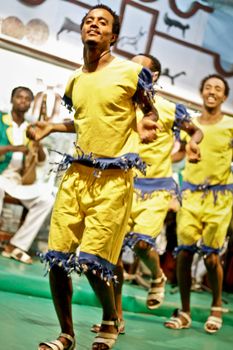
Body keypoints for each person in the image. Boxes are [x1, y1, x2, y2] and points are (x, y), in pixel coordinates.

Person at [26, 5, 159, 350]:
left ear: (113, 36)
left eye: (103, 22)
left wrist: (146, 121)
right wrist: (52, 125)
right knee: (56, 258)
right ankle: (66, 334)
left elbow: (149, 109)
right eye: (89, 20)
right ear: (82, 30)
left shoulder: (131, 72)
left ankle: (111, 318)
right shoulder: (75, 78)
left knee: (92, 261)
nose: (94, 24)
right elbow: (84, 120)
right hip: (75, 175)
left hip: (114, 179)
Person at [91, 53, 203, 334]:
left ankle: (157, 276)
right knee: (112, 255)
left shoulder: (167, 108)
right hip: (122, 185)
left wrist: (191, 145)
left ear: (153, 76)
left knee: (142, 244)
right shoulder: (122, 104)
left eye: (138, 67)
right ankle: (115, 318)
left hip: (156, 189)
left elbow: (195, 130)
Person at [164, 74, 233, 334]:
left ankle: (216, 305)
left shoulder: (230, 124)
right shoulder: (190, 124)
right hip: (191, 194)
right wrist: (163, 157)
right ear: (202, 92)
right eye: (208, 87)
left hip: (220, 196)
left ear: (224, 96)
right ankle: (185, 311)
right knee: (184, 252)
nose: (212, 91)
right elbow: (181, 152)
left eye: (218, 88)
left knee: (211, 256)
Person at [0, 86, 54, 264]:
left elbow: (41, 159)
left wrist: (38, 142)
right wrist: (14, 148)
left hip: (18, 180)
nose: (22, 100)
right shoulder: (1, 120)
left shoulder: (30, 128)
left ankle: (16, 246)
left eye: (26, 98)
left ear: (30, 103)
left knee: (47, 198)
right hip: (1, 175)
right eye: (19, 97)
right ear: (12, 99)